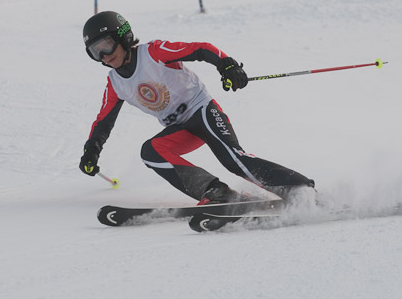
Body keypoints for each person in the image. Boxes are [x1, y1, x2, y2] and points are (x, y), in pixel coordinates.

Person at [79, 11, 314, 204]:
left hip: (202, 111)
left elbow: (201, 48)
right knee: (151, 151)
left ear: (124, 37)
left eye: (106, 46)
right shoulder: (115, 83)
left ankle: (299, 189)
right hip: (180, 129)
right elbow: (103, 122)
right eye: (95, 52)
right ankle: (217, 193)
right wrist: (91, 150)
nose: (104, 56)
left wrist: (227, 66)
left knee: (232, 159)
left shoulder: (154, 52)